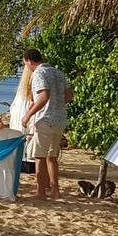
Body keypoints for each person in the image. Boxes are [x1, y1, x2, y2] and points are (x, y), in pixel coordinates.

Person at [20, 49, 73, 200]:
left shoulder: (39, 73)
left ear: (29, 60)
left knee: (39, 156)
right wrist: (56, 105)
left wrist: (28, 115)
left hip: (45, 119)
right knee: (52, 156)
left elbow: (44, 96)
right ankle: (55, 190)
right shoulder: (58, 72)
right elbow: (69, 96)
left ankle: (41, 192)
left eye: (26, 64)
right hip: (60, 119)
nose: (27, 68)